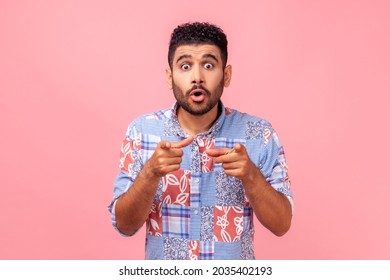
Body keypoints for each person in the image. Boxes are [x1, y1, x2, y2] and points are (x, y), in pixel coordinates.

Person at [108, 22, 293, 260]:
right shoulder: (141, 132)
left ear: (226, 75)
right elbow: (124, 225)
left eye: (208, 65)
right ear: (169, 76)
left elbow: (282, 224)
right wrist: (150, 174)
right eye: (185, 66)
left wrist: (251, 176)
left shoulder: (259, 134)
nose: (197, 78)